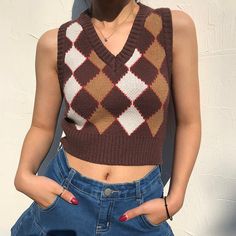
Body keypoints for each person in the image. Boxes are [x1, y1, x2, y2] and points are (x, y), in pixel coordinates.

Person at [11, 0, 200, 235]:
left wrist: (175, 199)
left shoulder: (170, 29)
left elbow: (189, 122)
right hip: (67, 198)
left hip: (138, 208)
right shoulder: (58, 42)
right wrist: (24, 176)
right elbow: (41, 126)